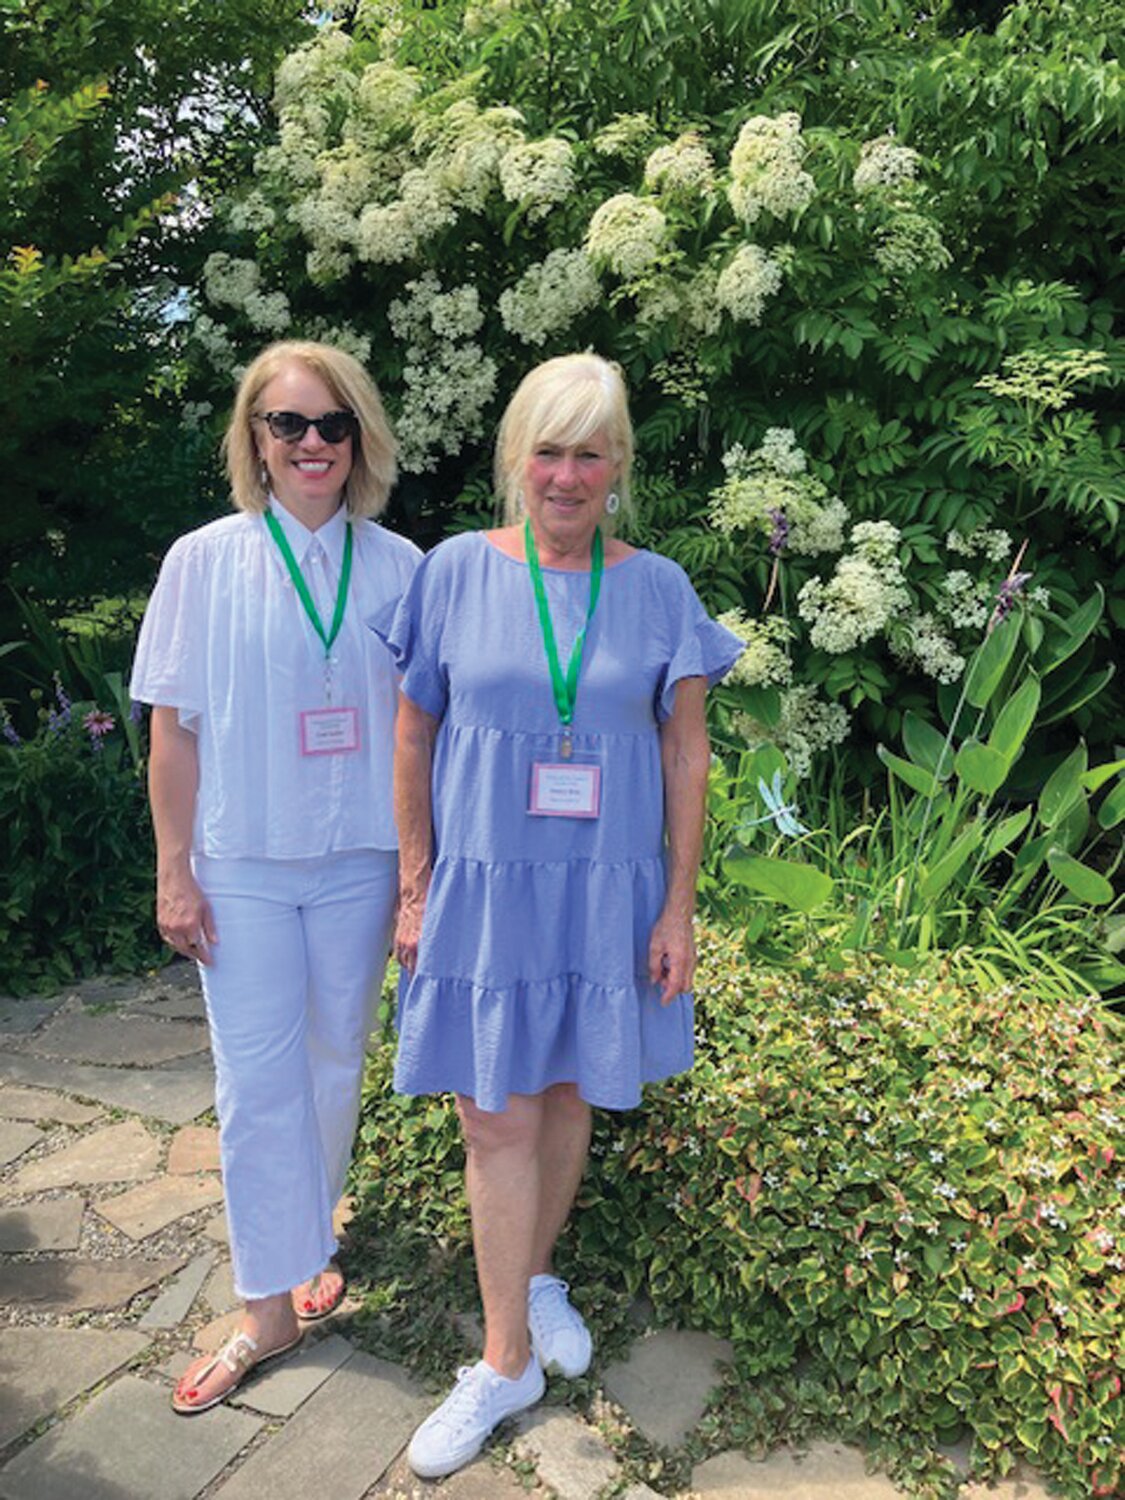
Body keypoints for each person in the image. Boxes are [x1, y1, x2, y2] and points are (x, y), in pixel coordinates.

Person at [374, 352, 742, 1478]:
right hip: (487, 884)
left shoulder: (661, 588)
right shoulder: (450, 573)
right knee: (495, 1111)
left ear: (619, 464)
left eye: (591, 451)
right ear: (514, 459)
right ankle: (502, 1361)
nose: (568, 474)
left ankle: (533, 1279)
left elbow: (687, 753)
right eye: (549, 448)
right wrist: (416, 881)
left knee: (572, 1089)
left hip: (605, 889)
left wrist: (679, 904)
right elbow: (413, 735)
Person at [130, 339, 420, 1413]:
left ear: (360, 440)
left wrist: (418, 875)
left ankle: (311, 1242)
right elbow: (173, 728)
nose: (310, 443)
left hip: (361, 864)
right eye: (287, 424)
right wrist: (174, 871)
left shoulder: (401, 568)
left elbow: (423, 735)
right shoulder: (202, 561)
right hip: (240, 864)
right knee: (255, 1084)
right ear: (254, 437)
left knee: (335, 1058)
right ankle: (266, 1310)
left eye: (331, 424)